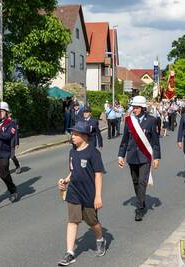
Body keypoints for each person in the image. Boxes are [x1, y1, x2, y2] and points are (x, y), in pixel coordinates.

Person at [57, 120, 106, 266]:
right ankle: (70, 253)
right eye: (72, 133)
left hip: (89, 193)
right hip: (74, 192)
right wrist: (66, 180)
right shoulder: (72, 152)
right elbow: (73, 170)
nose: (72, 136)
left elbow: (98, 174)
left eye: (75, 134)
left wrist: (98, 196)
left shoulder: (93, 153)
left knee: (92, 222)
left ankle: (100, 239)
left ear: (84, 136)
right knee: (73, 221)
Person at [118, 96, 161, 221]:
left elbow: (155, 141)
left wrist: (156, 157)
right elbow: (125, 140)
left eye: (136, 107)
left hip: (144, 156)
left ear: (142, 108)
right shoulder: (129, 120)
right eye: (133, 107)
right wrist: (121, 155)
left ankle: (139, 208)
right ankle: (141, 199)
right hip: (132, 156)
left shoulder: (151, 120)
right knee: (136, 181)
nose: (134, 109)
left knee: (142, 181)